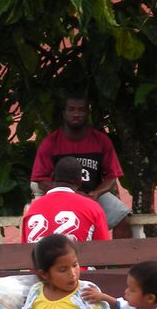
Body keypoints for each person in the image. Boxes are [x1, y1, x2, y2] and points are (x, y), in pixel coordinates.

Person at [30, 93, 131, 238]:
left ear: (87, 113)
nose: (76, 114)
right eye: (71, 109)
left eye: (81, 110)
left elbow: (111, 177)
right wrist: (74, 194)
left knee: (122, 218)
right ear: (64, 114)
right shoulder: (50, 143)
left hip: (92, 194)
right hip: (59, 195)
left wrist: (95, 194)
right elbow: (41, 180)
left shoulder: (101, 140)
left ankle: (118, 260)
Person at [21, 156, 110, 244]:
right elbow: (102, 249)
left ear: (53, 176)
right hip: (77, 257)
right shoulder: (92, 208)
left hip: (37, 258)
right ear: (79, 181)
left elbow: (24, 250)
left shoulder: (32, 208)